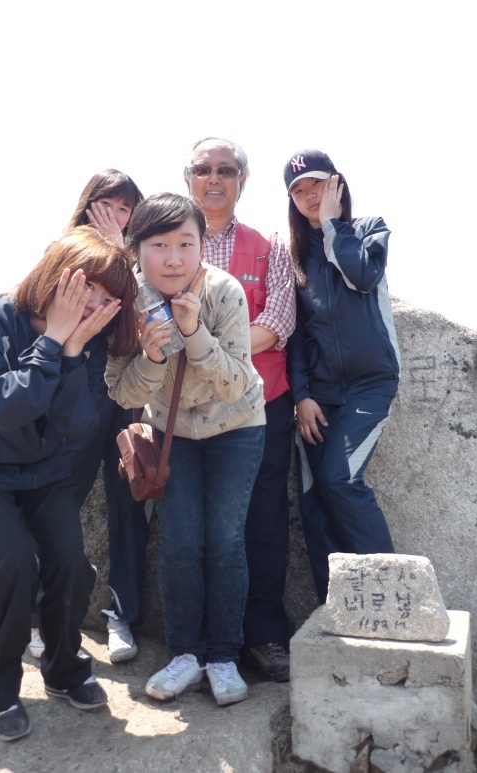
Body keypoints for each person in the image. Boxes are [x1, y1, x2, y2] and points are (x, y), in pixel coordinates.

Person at [0, 227, 138, 740]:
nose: (94, 304)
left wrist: (72, 351)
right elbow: (3, 406)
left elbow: (76, 424)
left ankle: (64, 670)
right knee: (10, 565)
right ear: (58, 273)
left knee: (69, 560)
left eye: (107, 299)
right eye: (88, 286)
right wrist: (51, 343)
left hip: (43, 465)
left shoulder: (86, 341)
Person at [106, 192, 266, 706]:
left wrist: (193, 332)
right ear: (136, 249)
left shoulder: (223, 291)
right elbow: (122, 392)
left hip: (235, 426)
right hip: (170, 433)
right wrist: (151, 357)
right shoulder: (127, 302)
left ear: (202, 247)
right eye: (159, 245)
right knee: (178, 541)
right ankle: (185, 655)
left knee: (225, 541)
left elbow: (235, 384)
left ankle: (223, 657)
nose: (173, 258)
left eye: (186, 243)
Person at [184, 138, 296, 682]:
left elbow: (278, 322)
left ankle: (264, 636)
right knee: (194, 526)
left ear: (242, 181)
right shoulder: (171, 244)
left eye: (225, 170)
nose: (214, 178)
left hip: (263, 403)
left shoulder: (269, 246)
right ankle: (197, 643)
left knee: (265, 520)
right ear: (188, 179)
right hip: (187, 411)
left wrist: (205, 347)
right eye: (203, 169)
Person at [29, 169, 148, 665]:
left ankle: (122, 615)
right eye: (108, 206)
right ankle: (38, 616)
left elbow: (135, 323)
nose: (115, 218)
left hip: (121, 395)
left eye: (125, 210)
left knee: (129, 501)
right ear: (86, 207)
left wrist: (119, 253)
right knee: (59, 503)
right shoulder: (62, 256)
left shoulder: (137, 264)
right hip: (73, 394)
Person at [284, 148, 400, 603]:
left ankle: (395, 597)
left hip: (370, 386)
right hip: (320, 395)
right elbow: (296, 337)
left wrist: (333, 225)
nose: (309, 195)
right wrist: (301, 395)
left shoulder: (369, 229)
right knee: (314, 500)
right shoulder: (294, 257)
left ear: (337, 183)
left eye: (316, 183)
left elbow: (362, 277)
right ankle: (333, 608)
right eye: (298, 190)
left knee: (340, 479)